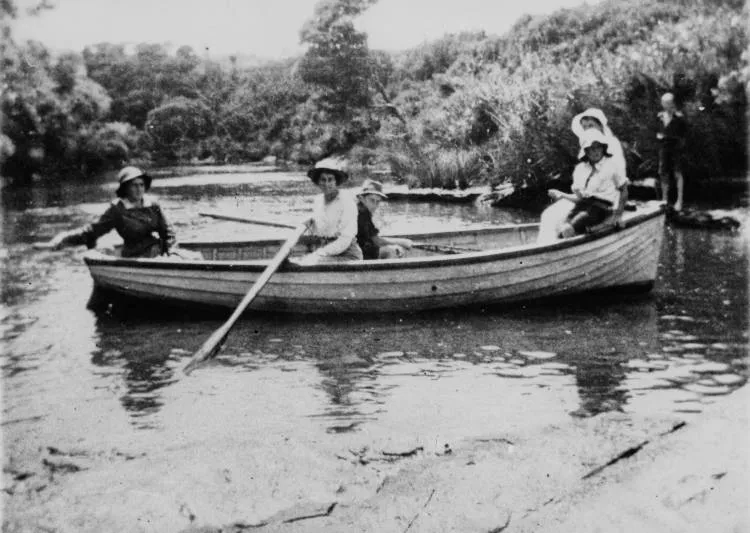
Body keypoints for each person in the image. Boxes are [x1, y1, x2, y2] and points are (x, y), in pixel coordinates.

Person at [38, 166, 176, 258]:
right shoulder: (117, 210)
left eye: (141, 185)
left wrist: (171, 252)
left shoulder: (153, 205)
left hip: (157, 251)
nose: (139, 189)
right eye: (134, 185)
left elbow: (168, 232)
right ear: (125, 188)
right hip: (134, 256)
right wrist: (61, 240)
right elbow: (92, 231)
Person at [537, 108, 628, 243]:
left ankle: (558, 245)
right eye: (584, 127)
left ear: (601, 126)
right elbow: (582, 195)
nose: (587, 130)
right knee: (550, 216)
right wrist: (562, 194)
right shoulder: (585, 163)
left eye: (591, 126)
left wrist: (617, 215)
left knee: (567, 223)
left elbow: (620, 187)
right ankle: (547, 248)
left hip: (604, 205)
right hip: (586, 202)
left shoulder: (611, 150)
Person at [550, 129, 629, 238]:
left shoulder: (611, 165)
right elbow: (580, 198)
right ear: (586, 151)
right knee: (560, 229)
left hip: (601, 208)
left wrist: (618, 215)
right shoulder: (580, 169)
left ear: (603, 148)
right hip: (583, 205)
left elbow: (624, 190)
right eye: (592, 148)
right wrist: (561, 194)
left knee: (568, 229)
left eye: (598, 147)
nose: (596, 151)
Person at [297, 159, 363, 265]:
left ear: (336, 181)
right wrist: (306, 222)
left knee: (309, 262)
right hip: (326, 251)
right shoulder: (318, 200)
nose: (326, 184)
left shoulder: (347, 201)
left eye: (330, 179)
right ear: (318, 182)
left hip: (347, 255)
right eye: (323, 179)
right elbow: (319, 226)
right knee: (300, 261)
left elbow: (345, 241)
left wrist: (319, 253)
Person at [356, 179, 413, 259]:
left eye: (377, 202)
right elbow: (376, 241)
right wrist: (402, 242)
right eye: (372, 200)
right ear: (362, 198)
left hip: (360, 250)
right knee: (392, 251)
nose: (375, 205)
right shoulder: (361, 213)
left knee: (393, 248)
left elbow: (373, 238)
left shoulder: (362, 210)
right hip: (356, 254)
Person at [657, 92, 688, 212]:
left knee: (677, 173)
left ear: (673, 104)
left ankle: (679, 200)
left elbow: (684, 135)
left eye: (669, 103)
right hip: (663, 148)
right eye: (664, 103)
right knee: (663, 173)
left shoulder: (679, 118)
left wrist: (679, 145)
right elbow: (657, 131)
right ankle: (664, 200)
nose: (666, 105)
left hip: (675, 148)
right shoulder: (659, 116)